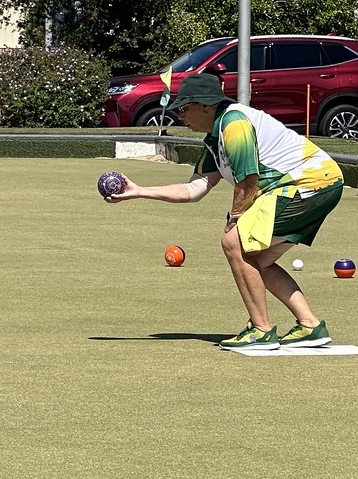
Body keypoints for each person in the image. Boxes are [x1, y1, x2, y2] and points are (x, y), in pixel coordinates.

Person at [106, 72, 344, 351]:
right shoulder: (214, 137)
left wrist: (235, 219)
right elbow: (193, 190)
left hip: (308, 183)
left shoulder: (234, 124)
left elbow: (248, 181)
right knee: (256, 261)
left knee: (234, 243)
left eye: (184, 108)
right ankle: (310, 326)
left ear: (206, 106)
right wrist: (139, 191)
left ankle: (260, 331)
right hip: (311, 186)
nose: (181, 116)